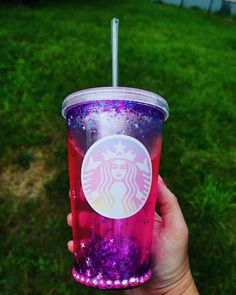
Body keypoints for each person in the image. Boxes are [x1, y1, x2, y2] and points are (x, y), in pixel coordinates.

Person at [67, 176, 199, 294]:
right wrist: (178, 286)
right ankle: (92, 266)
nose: (118, 172)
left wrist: (177, 284)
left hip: (143, 268)